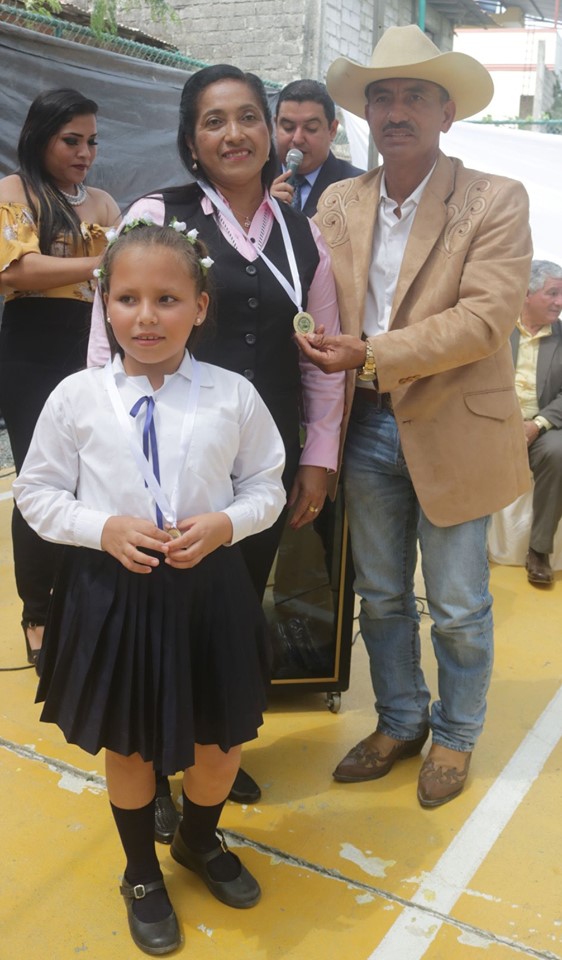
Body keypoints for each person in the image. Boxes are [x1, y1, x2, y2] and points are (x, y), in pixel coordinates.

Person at [13, 222, 286, 955]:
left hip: (208, 593)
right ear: (104, 305)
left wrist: (227, 523)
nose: (146, 316)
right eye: (127, 298)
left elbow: (266, 485)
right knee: (130, 748)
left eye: (167, 298)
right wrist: (100, 527)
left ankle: (197, 839)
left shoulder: (233, 395)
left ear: (201, 305)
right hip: (114, 595)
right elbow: (36, 492)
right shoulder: (76, 397)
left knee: (218, 744)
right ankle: (140, 872)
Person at [87, 65, 344, 831]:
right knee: (159, 616)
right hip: (163, 461)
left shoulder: (303, 234)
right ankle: (153, 765)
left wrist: (318, 457)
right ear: (191, 139)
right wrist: (114, 465)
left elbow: (320, 356)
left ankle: (210, 752)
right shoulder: (155, 214)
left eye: (248, 117)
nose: (234, 134)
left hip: (259, 469)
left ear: (270, 130)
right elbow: (105, 348)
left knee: (232, 612)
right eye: (213, 121)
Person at [296, 25, 533, 808]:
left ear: (447, 113)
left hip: (456, 427)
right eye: (383, 97)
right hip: (364, 424)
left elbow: (485, 319)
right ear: (366, 113)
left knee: (459, 606)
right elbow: (315, 298)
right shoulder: (337, 201)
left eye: (416, 97)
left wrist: (369, 353)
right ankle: (400, 720)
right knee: (383, 595)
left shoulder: (494, 197)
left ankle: (456, 735)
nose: (397, 111)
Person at [0, 88, 120, 670]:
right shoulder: (14, 192)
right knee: (40, 480)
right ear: (40, 138)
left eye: (91, 141)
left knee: (91, 478)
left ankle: (82, 604)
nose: (84, 153)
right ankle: (39, 612)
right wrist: (106, 262)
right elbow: (16, 271)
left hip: (93, 344)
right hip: (33, 349)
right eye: (71, 140)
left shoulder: (103, 202)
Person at [511, 260, 562, 586]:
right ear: (526, 293)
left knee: (559, 452)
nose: (559, 302)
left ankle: (539, 550)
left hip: (542, 427)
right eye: (552, 293)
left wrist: (538, 424)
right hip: (493, 423)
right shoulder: (497, 327)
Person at [273, 78, 364, 213]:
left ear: (332, 130)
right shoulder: (253, 180)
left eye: (311, 128)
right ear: (275, 125)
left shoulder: (359, 187)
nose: (297, 139)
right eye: (288, 127)